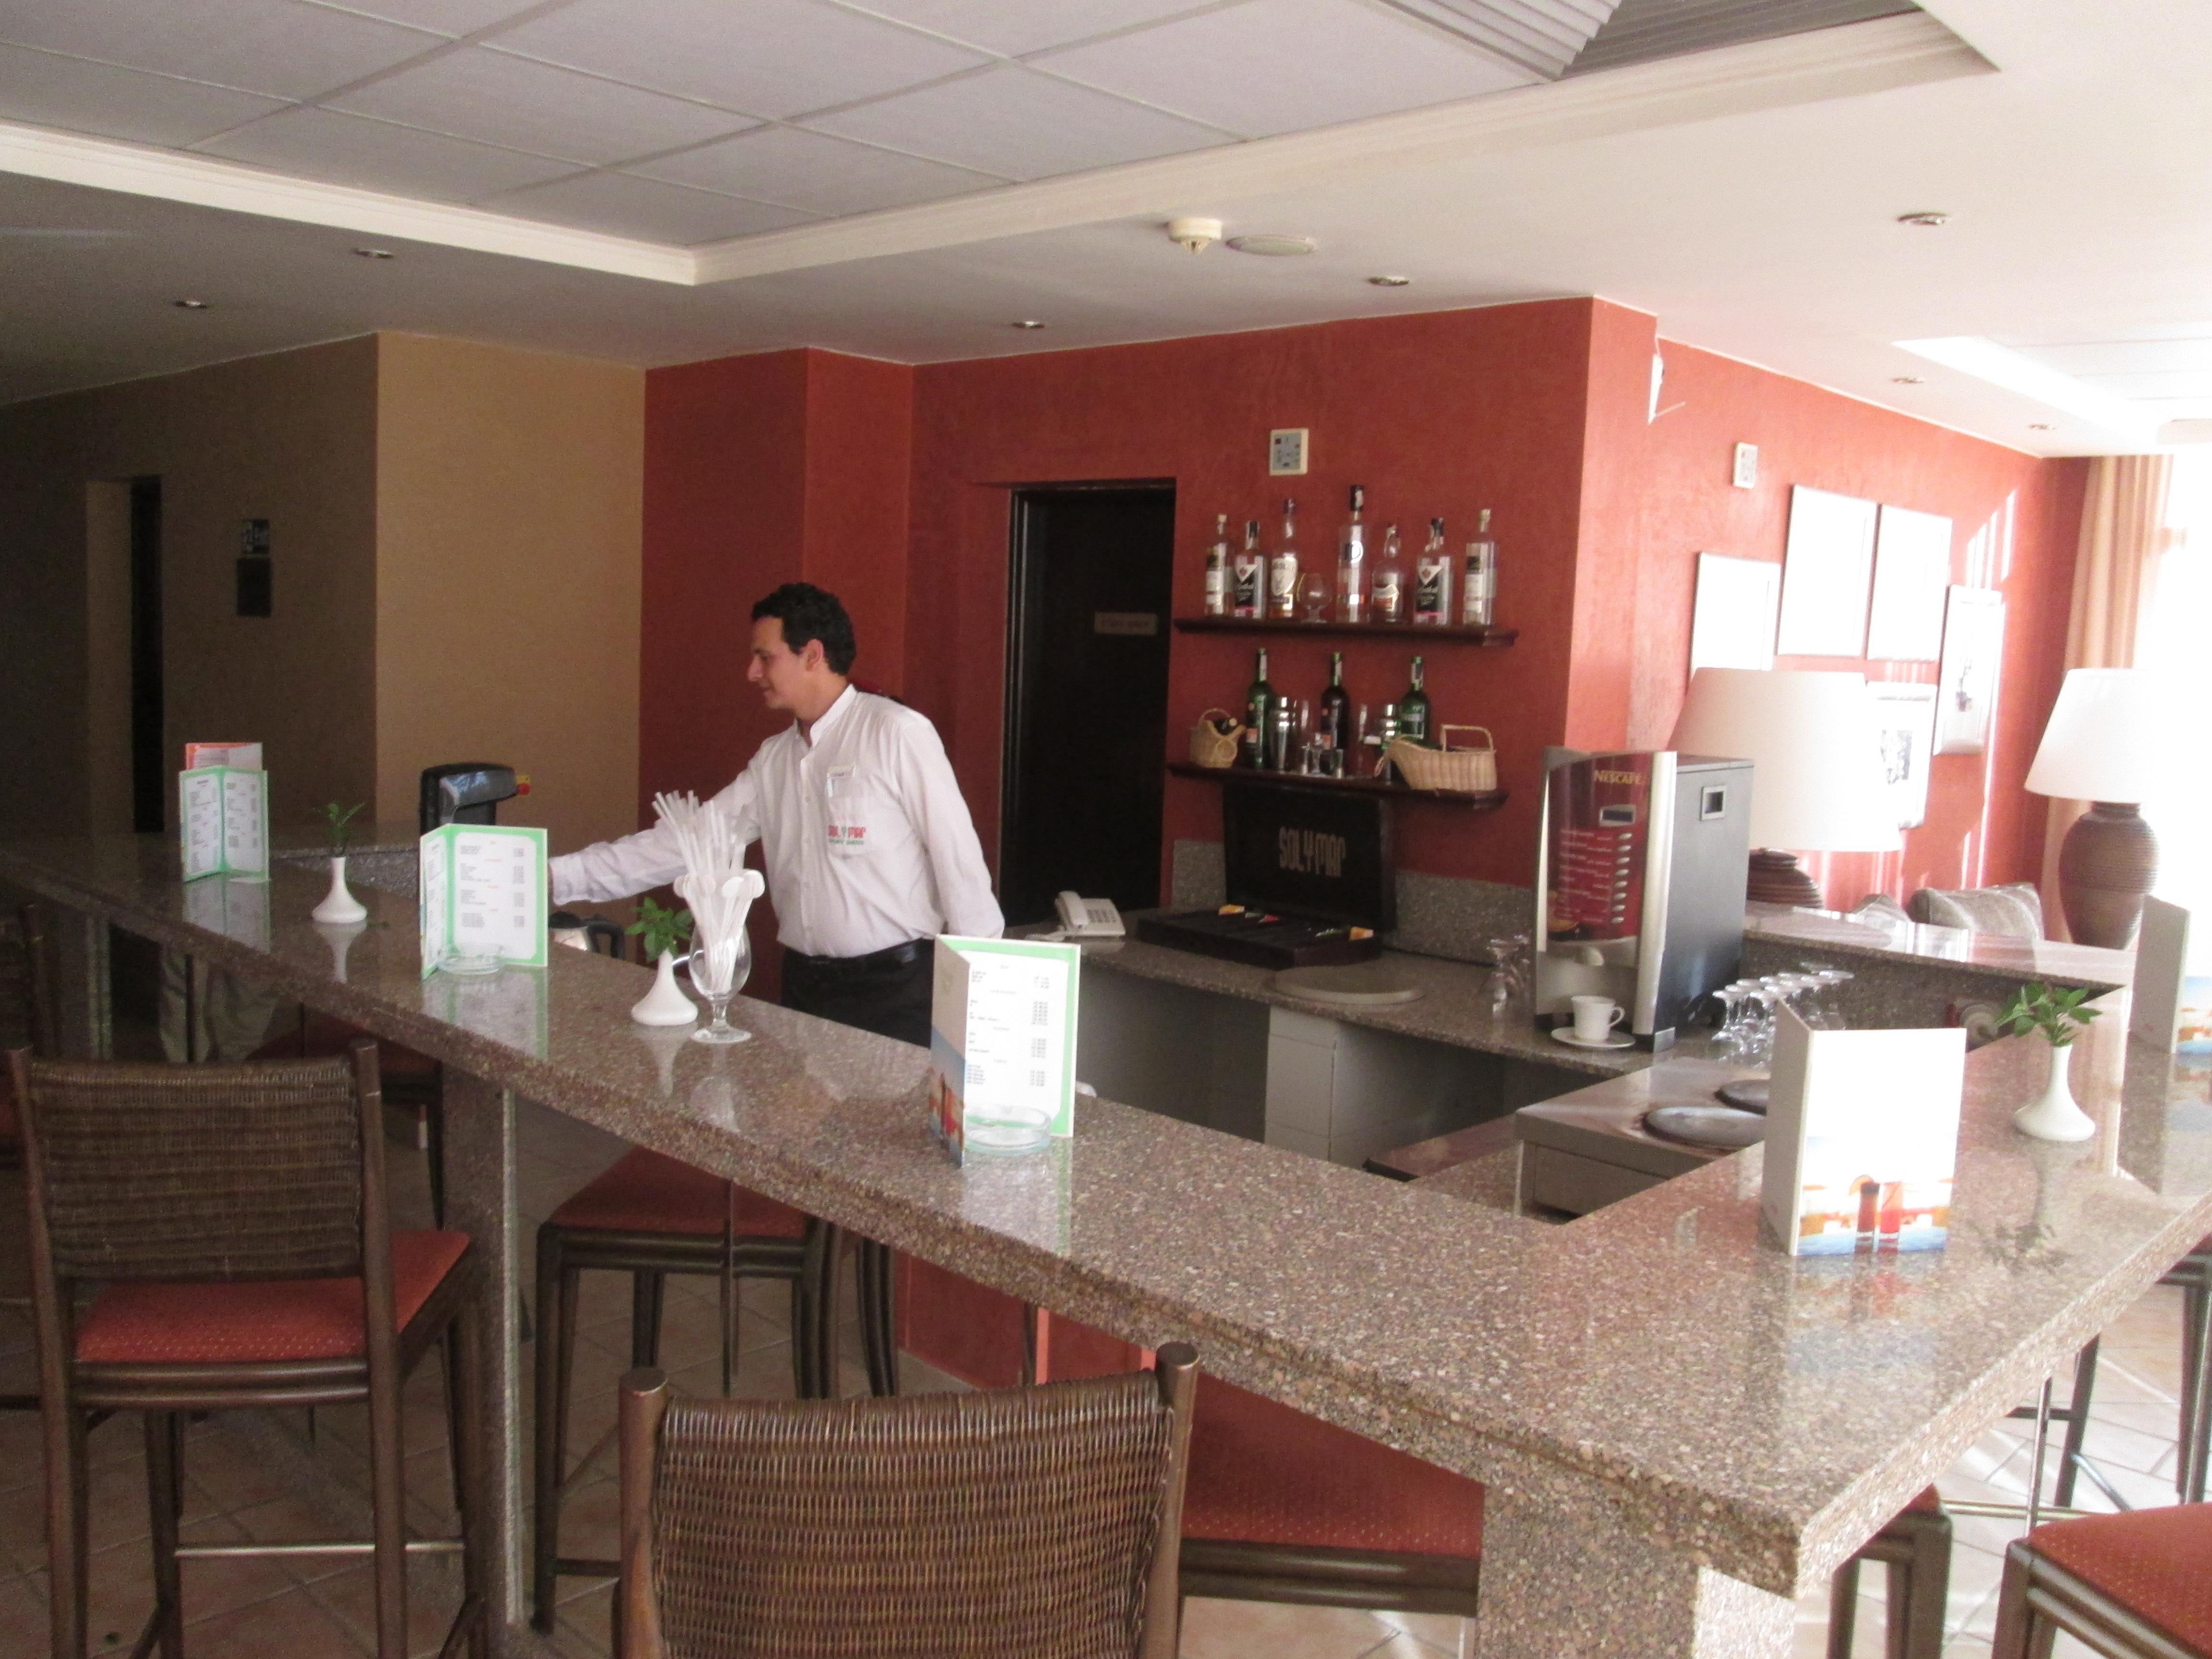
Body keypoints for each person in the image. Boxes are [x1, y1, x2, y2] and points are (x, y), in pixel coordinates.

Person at [551, 582, 1002, 1046]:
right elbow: (688, 843)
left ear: (812, 655)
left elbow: (960, 868)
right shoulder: (774, 759)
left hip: (897, 993)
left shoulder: (896, 733)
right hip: (804, 989)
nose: (752, 673)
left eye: (765, 658)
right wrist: (556, 877)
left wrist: (985, 1018)